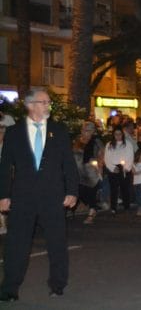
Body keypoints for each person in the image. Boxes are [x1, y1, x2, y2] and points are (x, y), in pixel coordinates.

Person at [0, 89, 78, 301]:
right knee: (16, 244)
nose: (48, 106)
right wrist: (3, 195)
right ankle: (9, 288)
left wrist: (72, 191)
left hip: (52, 195)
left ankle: (57, 284)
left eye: (48, 102)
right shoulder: (14, 132)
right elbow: (5, 166)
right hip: (22, 197)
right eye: (44, 102)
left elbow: (68, 163)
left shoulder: (58, 130)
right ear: (30, 105)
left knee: (57, 242)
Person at [73, 121, 103, 224]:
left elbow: (102, 155)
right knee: (80, 191)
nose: (85, 132)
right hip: (78, 171)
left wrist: (99, 166)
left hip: (91, 172)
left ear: (93, 131)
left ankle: (91, 212)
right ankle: (92, 208)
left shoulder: (96, 141)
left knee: (91, 193)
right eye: (84, 130)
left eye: (89, 130)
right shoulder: (77, 140)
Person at [103, 126, 134, 214]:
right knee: (114, 189)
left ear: (122, 134)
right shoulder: (109, 145)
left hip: (124, 167)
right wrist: (112, 168)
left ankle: (126, 206)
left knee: (125, 188)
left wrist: (127, 167)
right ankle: (113, 207)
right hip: (113, 168)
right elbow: (107, 158)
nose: (118, 136)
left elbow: (130, 156)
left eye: (119, 134)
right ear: (113, 135)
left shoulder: (128, 144)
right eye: (116, 134)